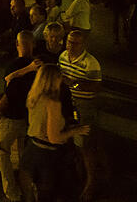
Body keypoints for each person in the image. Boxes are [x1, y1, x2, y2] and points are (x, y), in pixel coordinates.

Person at [19, 64, 90, 202]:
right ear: (53, 80)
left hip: (30, 152)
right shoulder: (52, 103)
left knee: (29, 196)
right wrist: (76, 131)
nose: (61, 81)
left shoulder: (34, 96)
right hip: (46, 158)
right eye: (59, 77)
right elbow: (54, 137)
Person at [0, 31, 37, 202]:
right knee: (24, 155)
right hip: (30, 118)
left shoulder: (14, 67)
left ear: (17, 45)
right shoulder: (38, 67)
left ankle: (12, 192)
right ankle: (29, 191)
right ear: (33, 45)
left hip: (12, 117)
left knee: (2, 150)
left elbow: (9, 96)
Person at [59, 30, 101, 200]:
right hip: (68, 104)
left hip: (85, 107)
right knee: (70, 142)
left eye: (75, 43)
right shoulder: (62, 57)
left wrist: (75, 84)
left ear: (83, 45)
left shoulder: (91, 63)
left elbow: (96, 87)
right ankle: (77, 176)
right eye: (69, 42)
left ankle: (91, 183)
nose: (70, 46)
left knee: (85, 145)